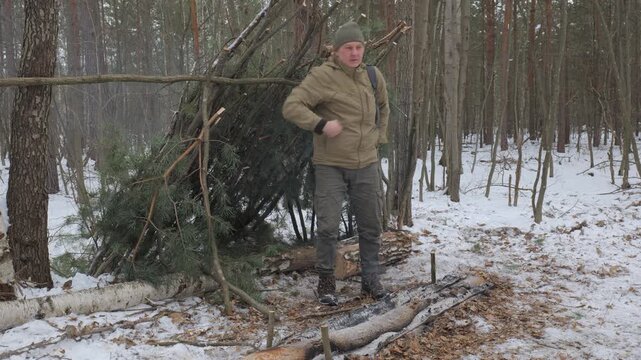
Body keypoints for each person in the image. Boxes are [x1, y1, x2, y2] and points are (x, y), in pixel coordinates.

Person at [282, 21, 390, 306]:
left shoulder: (372, 75)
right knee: (328, 227)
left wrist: (379, 137)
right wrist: (320, 124)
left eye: (358, 47)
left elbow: (383, 107)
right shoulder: (322, 77)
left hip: (366, 162)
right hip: (331, 164)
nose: (354, 53)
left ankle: (371, 280)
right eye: (348, 48)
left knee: (370, 226)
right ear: (337, 50)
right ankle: (326, 283)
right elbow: (292, 106)